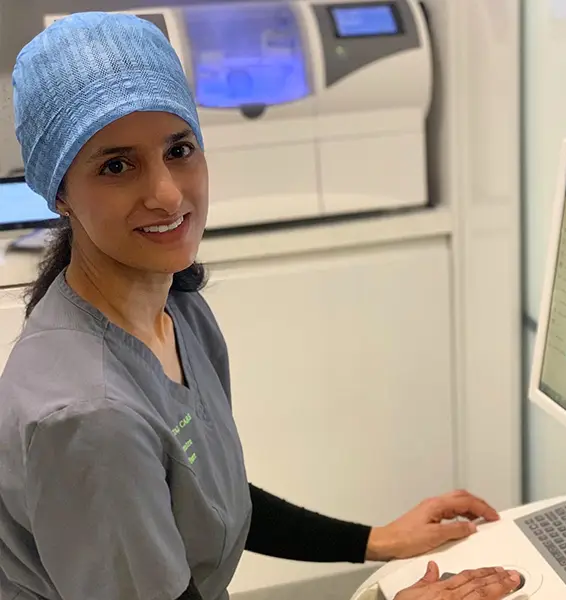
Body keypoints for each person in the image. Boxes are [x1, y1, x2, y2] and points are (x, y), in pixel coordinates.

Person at [0, 12, 521, 600]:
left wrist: (375, 540)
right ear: (60, 193)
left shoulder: (176, 307)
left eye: (180, 149)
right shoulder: (88, 418)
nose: (168, 194)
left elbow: (208, 498)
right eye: (116, 166)